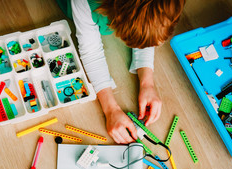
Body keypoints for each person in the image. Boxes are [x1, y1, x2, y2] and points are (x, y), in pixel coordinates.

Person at [56, 0, 185, 144]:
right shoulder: (85, 3)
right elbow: (91, 52)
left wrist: (147, 82)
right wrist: (110, 109)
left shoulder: (160, 9)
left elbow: (149, 26)